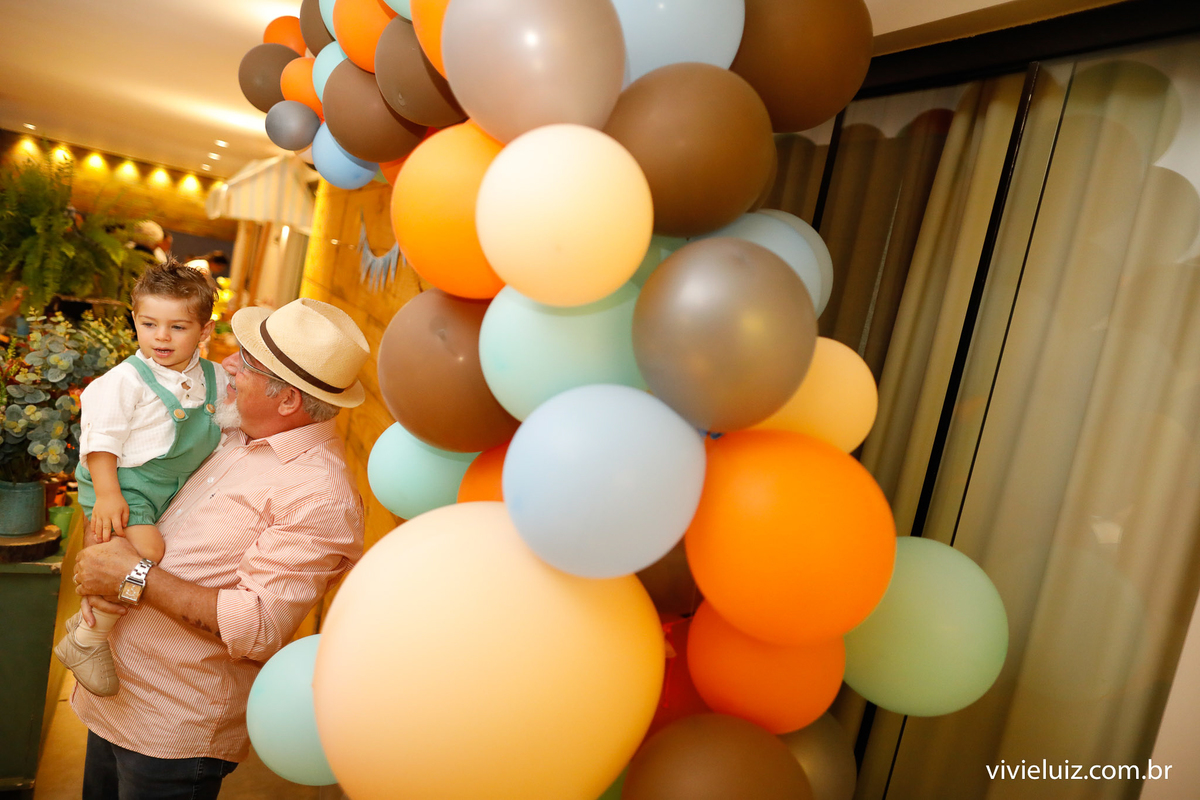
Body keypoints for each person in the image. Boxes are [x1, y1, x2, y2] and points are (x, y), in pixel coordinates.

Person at [70, 297, 369, 800]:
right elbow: (126, 477)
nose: (228, 364)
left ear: (287, 400)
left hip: (171, 728)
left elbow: (258, 626)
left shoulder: (320, 496)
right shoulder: (232, 427)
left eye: (247, 363)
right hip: (110, 693)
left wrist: (131, 575)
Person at [55, 261, 226, 697]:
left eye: (177, 327)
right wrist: (108, 495)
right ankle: (87, 639)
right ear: (135, 320)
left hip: (165, 487)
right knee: (147, 551)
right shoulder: (125, 381)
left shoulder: (215, 379)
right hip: (122, 481)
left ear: (204, 330)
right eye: (149, 324)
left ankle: (87, 625)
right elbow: (100, 441)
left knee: (137, 551)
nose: (161, 337)